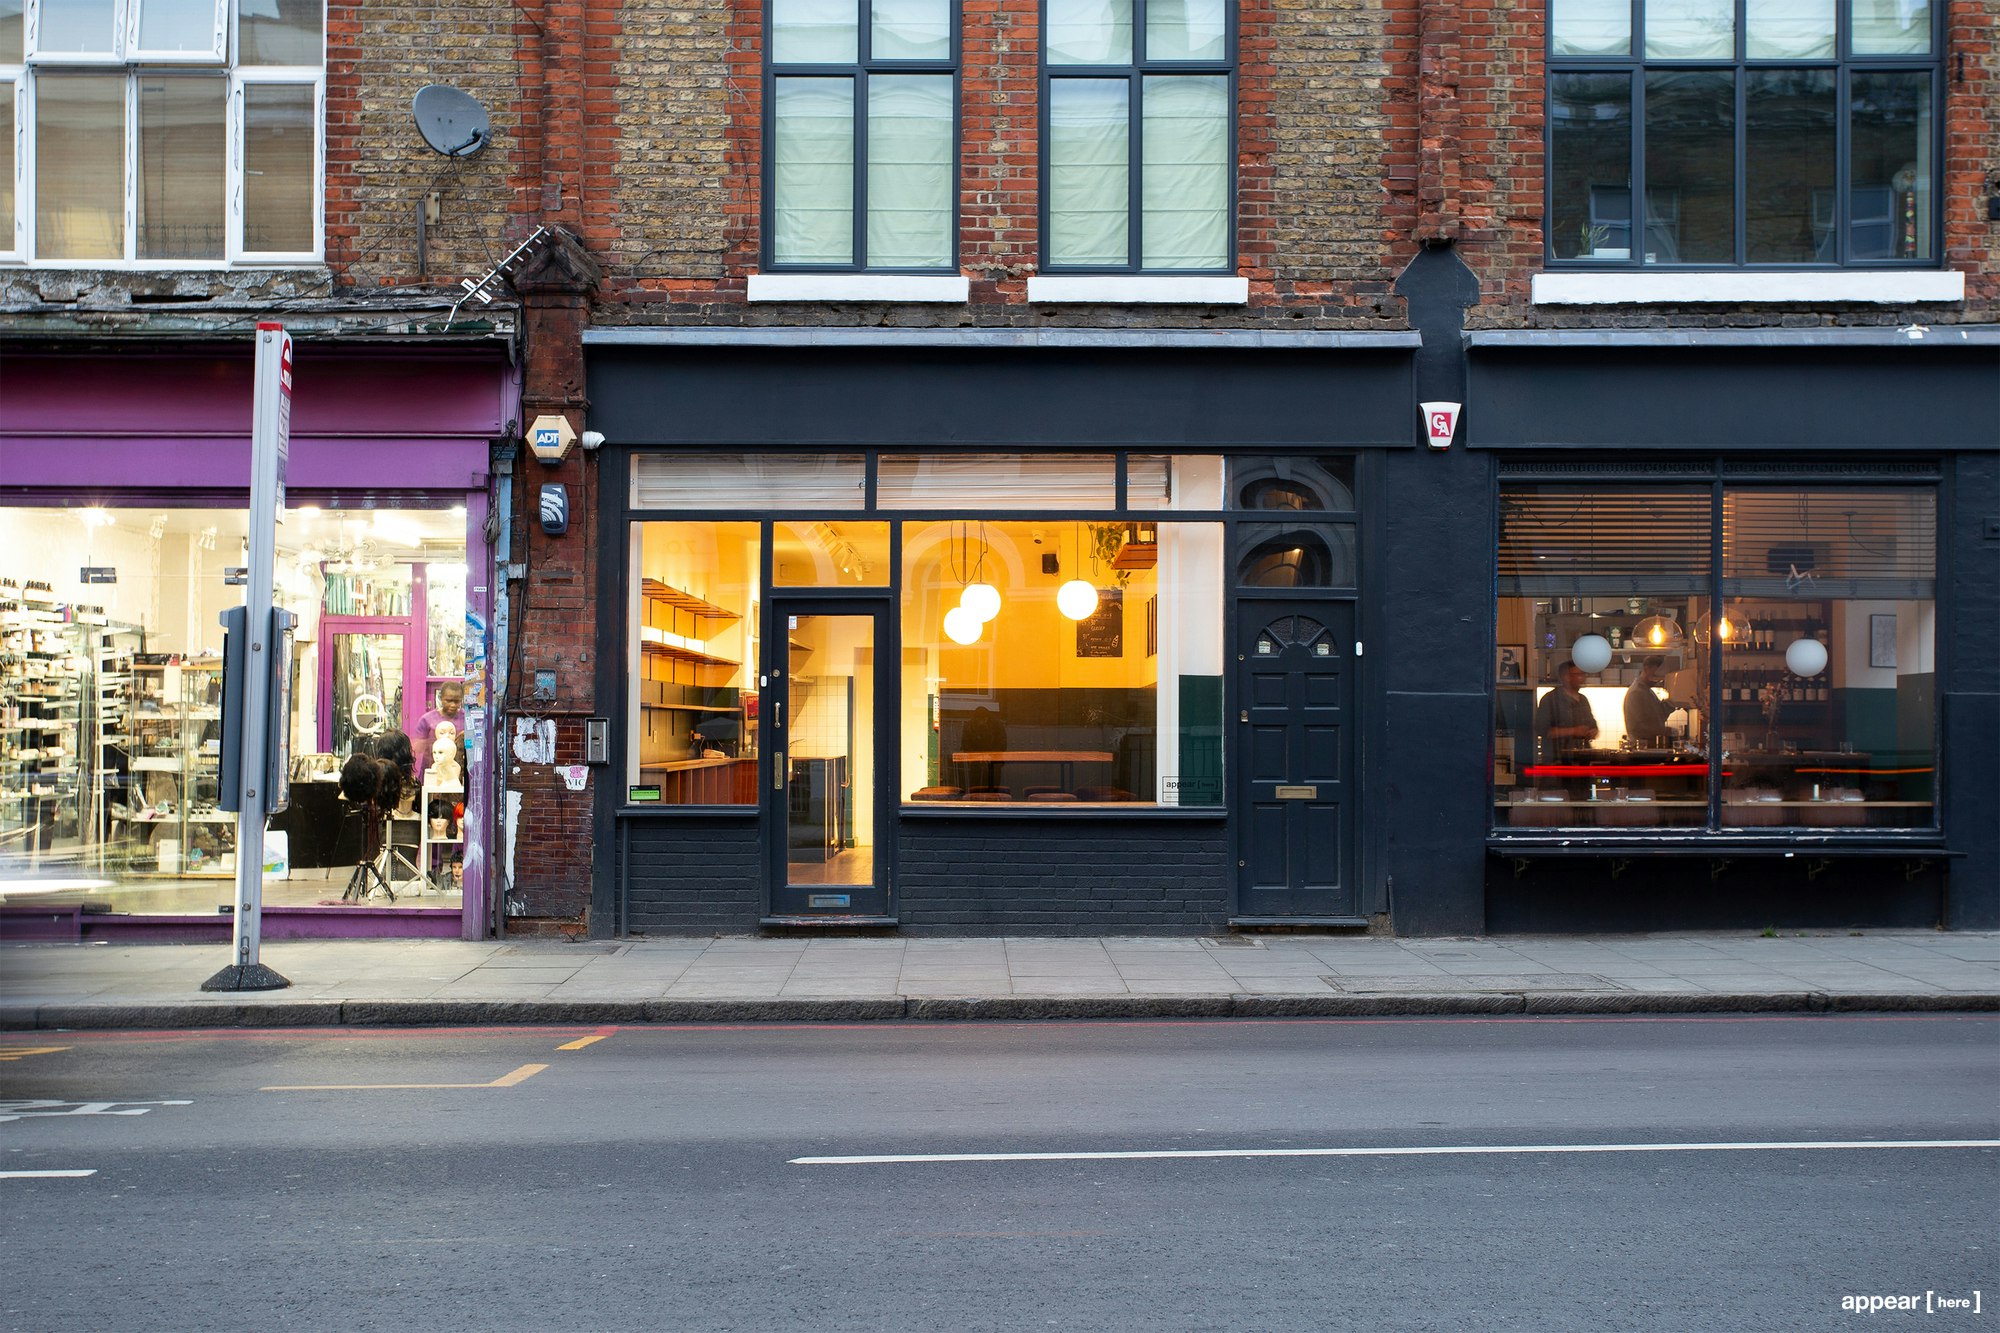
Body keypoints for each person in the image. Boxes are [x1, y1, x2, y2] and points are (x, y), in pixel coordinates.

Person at [1535, 660, 1598, 763]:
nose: (1582, 678)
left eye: (1583, 674)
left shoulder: (1583, 700)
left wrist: (1593, 731)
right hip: (1558, 761)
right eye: (1578, 675)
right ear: (1566, 677)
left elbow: (1592, 725)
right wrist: (1574, 731)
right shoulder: (1550, 699)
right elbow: (1543, 731)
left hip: (1582, 761)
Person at [413, 682, 464, 782]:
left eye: (457, 701)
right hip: (432, 771)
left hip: (457, 772)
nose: (453, 705)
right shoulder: (428, 720)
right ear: (441, 698)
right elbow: (417, 745)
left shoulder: (466, 719)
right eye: (448, 701)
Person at [1623, 655, 1674, 747]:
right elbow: (1639, 727)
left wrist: (1672, 703)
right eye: (1655, 674)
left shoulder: (1647, 691)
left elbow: (1658, 715)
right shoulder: (1636, 693)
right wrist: (1663, 730)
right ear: (1646, 669)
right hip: (1642, 748)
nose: (1658, 679)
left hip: (1649, 747)